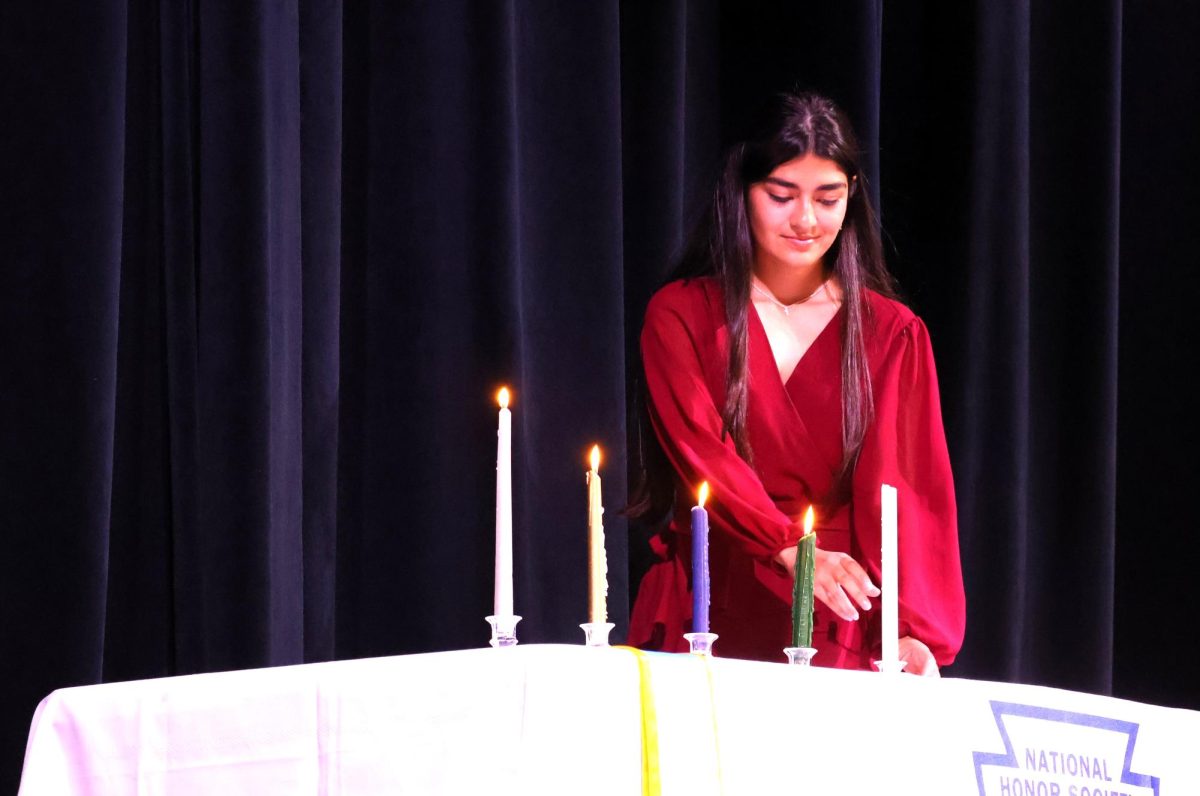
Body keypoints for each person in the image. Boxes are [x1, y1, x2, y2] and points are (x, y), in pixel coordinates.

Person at [626, 92, 965, 675]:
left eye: (827, 197)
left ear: (851, 197)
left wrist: (912, 631)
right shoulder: (680, 314)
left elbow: (908, 491)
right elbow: (701, 451)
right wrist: (787, 544)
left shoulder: (892, 333)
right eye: (782, 196)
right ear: (742, 191)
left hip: (836, 612)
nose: (806, 220)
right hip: (711, 598)